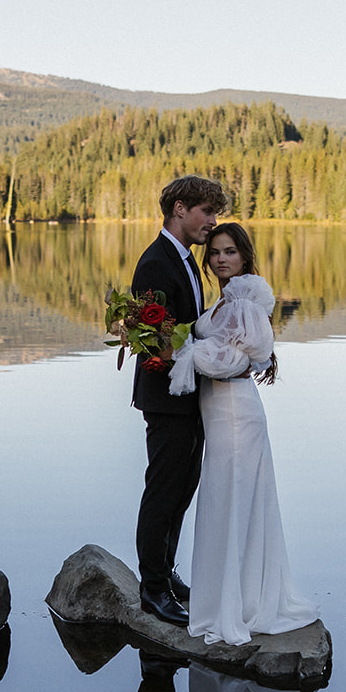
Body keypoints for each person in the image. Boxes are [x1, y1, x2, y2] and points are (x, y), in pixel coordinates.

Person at [167, 222, 319, 646]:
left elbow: (233, 362)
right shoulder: (227, 300)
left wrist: (180, 351)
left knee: (232, 505)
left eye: (229, 252)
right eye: (214, 252)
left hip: (236, 413)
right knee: (223, 505)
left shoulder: (245, 304)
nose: (220, 259)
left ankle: (239, 607)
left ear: (244, 256)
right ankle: (228, 601)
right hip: (219, 415)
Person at [131, 175, 229, 627]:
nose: (212, 222)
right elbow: (154, 340)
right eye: (207, 212)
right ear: (179, 209)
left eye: (214, 213)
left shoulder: (186, 259)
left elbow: (186, 325)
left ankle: (165, 573)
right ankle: (151, 588)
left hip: (189, 396)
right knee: (163, 491)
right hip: (167, 397)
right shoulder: (156, 263)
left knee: (183, 490)